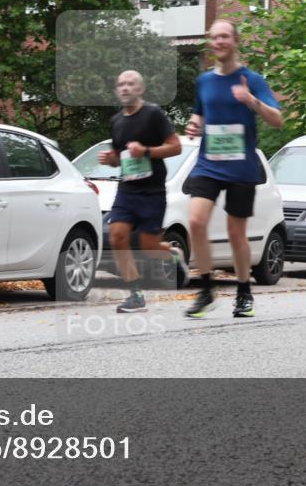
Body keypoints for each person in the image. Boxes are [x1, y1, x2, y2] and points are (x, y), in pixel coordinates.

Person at [183, 20, 283, 319]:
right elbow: (199, 113)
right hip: (209, 164)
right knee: (195, 222)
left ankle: (243, 292)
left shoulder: (252, 79)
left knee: (236, 234)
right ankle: (206, 290)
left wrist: (251, 101)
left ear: (235, 41)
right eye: (215, 37)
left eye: (225, 36)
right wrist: (194, 125)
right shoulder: (204, 81)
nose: (220, 42)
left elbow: (277, 120)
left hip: (241, 167)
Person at [98, 71, 186, 313]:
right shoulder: (116, 121)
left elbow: (176, 147)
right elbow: (120, 158)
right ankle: (135, 295)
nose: (125, 88)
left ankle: (173, 254)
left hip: (152, 190)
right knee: (117, 237)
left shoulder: (153, 114)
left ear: (141, 89)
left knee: (149, 247)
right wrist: (111, 159)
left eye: (130, 84)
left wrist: (146, 151)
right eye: (121, 84)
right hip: (127, 189)